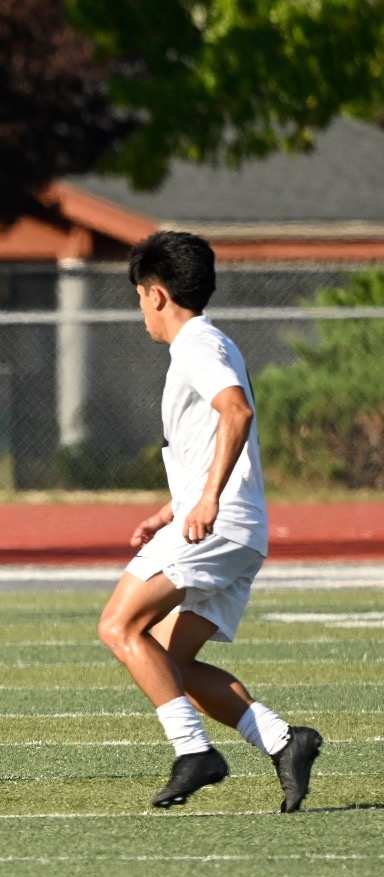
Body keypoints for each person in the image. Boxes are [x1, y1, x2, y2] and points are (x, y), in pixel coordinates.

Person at [96, 230, 322, 811]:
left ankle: (194, 751)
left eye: (139, 297)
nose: (141, 310)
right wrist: (178, 504)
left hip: (218, 526)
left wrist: (207, 501)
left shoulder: (197, 345)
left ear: (156, 295)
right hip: (237, 529)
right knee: (170, 662)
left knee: (119, 627)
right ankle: (283, 739)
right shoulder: (209, 343)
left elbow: (236, 412)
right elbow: (216, 435)